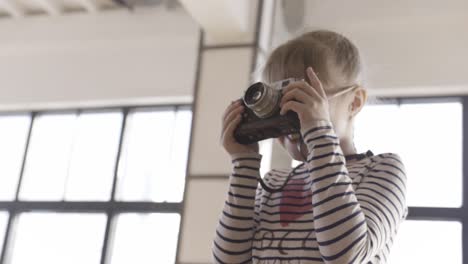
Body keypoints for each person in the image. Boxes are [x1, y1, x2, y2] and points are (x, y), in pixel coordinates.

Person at [213, 30, 407, 264]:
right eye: (279, 99)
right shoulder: (273, 182)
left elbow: (345, 254)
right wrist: (243, 163)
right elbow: (229, 261)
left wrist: (318, 133)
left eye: (304, 97)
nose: (289, 111)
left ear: (354, 102)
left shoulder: (383, 169)